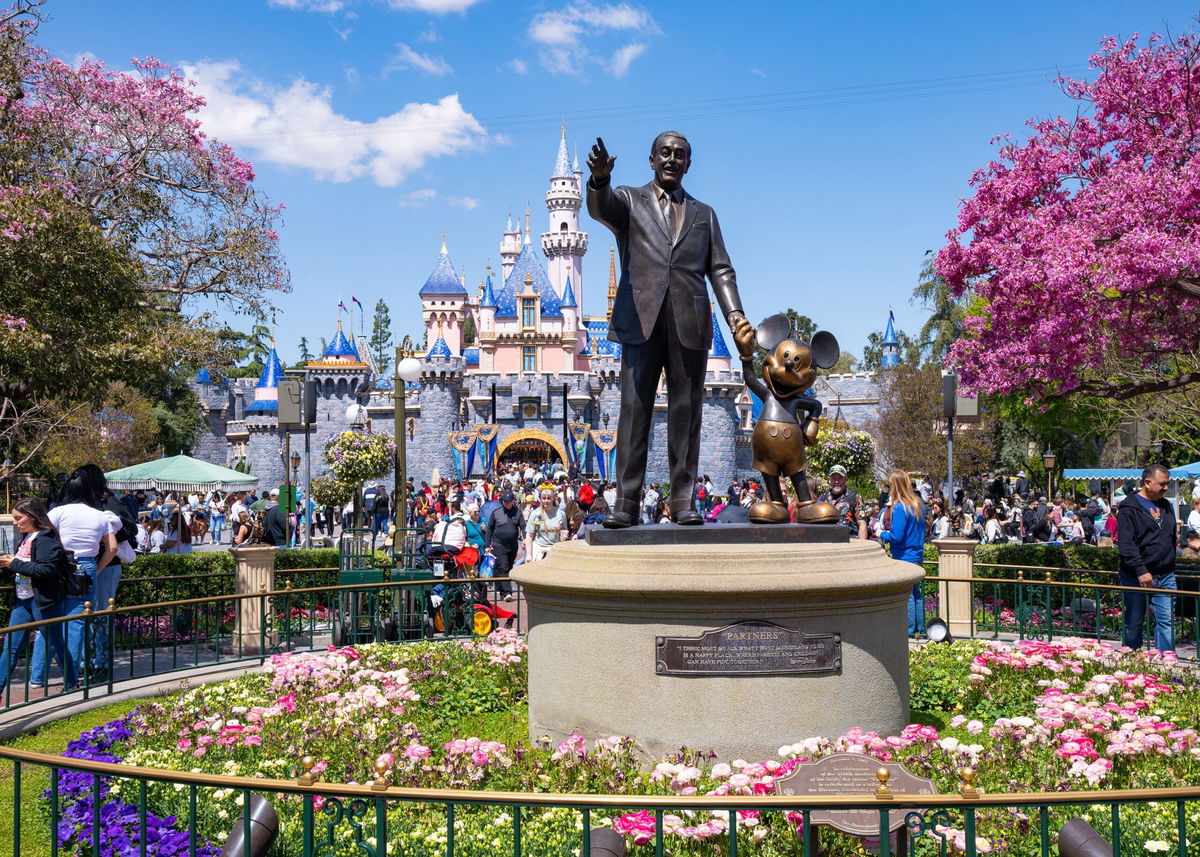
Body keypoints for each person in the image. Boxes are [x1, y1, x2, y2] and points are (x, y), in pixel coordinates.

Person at [587, 132, 747, 528]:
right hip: (640, 320)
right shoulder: (629, 200)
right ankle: (625, 503)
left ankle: (682, 502)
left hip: (689, 323)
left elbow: (721, 269)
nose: (672, 159)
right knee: (633, 411)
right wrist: (600, 181)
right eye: (666, 153)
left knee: (686, 413)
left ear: (689, 164)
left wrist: (736, 315)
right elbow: (601, 209)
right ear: (652, 159)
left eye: (680, 155)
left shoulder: (704, 214)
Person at [33, 472, 118, 688]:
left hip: (60, 564)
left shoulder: (57, 512)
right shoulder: (100, 515)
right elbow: (113, 548)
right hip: (86, 566)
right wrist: (96, 569)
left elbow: (42, 537)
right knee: (77, 621)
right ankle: (70, 678)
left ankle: (37, 676)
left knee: (50, 618)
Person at [0, 498, 71, 692]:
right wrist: (8, 565)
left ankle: (72, 683)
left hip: (43, 601)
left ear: (32, 517)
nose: (15, 522)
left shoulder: (46, 539)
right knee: (11, 647)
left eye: (18, 518)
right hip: (23, 600)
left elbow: (46, 570)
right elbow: (25, 567)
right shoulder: (26, 538)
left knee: (55, 643)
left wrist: (14, 563)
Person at [1116, 464, 1177, 652]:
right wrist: (1141, 570)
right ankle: (1134, 661)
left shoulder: (1166, 505)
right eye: (1162, 484)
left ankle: (1166, 662)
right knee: (1134, 622)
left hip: (1165, 575)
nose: (1166, 488)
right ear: (1147, 483)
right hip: (1136, 576)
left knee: (1166, 622)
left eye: (1167, 483)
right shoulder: (1128, 508)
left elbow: (1171, 536)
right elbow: (1126, 545)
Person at [880, 470, 927, 637]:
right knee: (916, 593)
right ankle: (919, 630)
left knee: (907, 596)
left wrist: (881, 534)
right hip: (917, 555)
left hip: (904, 557)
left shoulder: (900, 507)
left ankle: (907, 631)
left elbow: (896, 536)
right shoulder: (919, 505)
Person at [817, 466, 868, 538]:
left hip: (850, 544)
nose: (836, 482)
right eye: (834, 478)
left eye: (840, 478)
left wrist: (862, 546)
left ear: (846, 479)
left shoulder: (855, 497)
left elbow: (862, 524)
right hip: (827, 543)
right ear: (829, 480)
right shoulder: (822, 499)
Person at [525, 488, 568, 561]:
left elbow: (564, 530)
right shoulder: (535, 514)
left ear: (553, 499)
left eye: (548, 498)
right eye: (544, 498)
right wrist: (529, 555)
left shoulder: (561, 514)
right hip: (539, 547)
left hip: (555, 547)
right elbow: (529, 535)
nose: (546, 501)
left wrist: (564, 537)